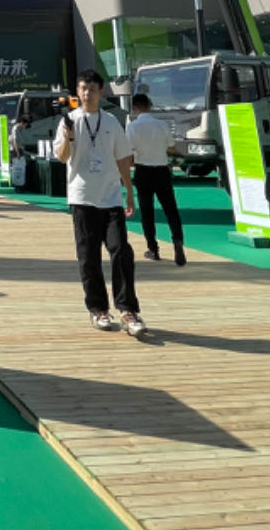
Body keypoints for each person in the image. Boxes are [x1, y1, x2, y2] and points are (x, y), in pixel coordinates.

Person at [54, 69, 143, 335]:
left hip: (111, 198)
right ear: (77, 92)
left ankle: (128, 310)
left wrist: (129, 191)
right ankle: (98, 310)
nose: (87, 93)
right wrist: (69, 139)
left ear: (100, 92)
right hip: (82, 198)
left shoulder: (112, 122)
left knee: (121, 251)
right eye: (82, 88)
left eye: (92, 88)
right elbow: (61, 156)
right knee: (88, 256)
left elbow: (123, 158)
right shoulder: (69, 120)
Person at [127, 94, 186, 266]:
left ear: (134, 108)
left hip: (143, 170)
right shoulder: (162, 125)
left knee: (147, 212)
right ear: (150, 106)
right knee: (171, 209)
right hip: (162, 170)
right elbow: (171, 148)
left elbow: (129, 152)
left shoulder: (133, 127)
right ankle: (178, 242)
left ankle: (153, 248)